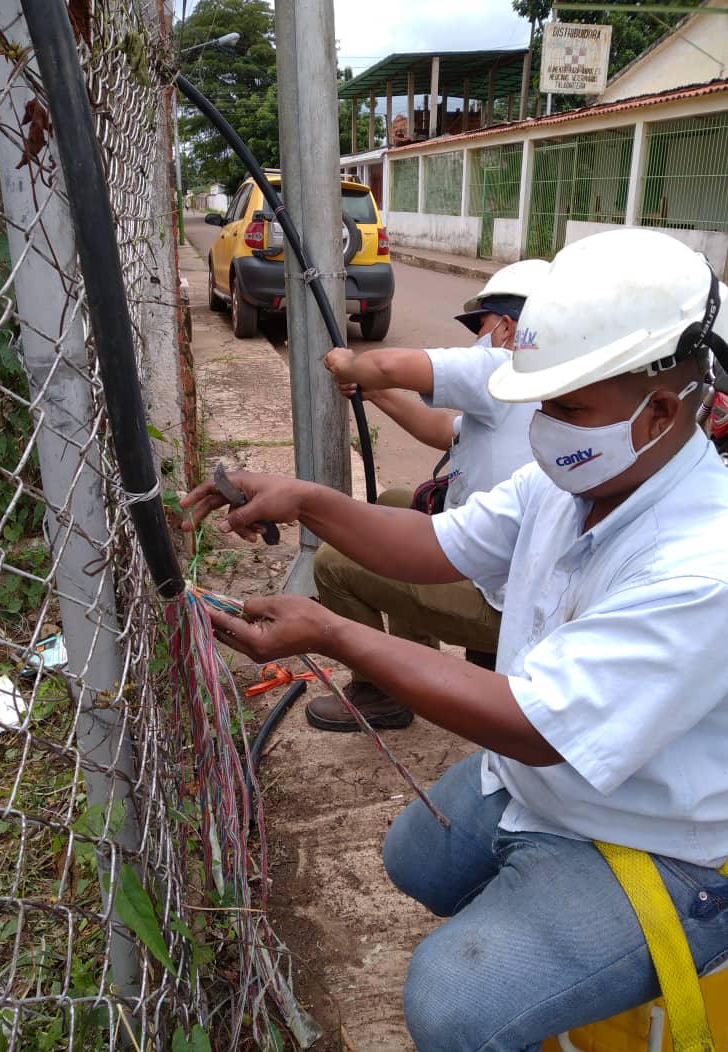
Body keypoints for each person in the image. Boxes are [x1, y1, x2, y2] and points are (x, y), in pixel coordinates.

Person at [182, 228, 728, 1051]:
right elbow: (434, 545)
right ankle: (546, 934)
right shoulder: (573, 478)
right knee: (414, 858)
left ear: (660, 410)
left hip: (658, 839)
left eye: (568, 406)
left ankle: (648, 936)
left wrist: (336, 636)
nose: (544, 426)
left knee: (451, 1003)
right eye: (541, 402)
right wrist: (306, 497)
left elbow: (535, 728)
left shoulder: (703, 565)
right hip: (548, 786)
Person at [307, 258, 549, 732]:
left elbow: (389, 363)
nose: (477, 339)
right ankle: (415, 662)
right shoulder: (541, 388)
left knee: (333, 565)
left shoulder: (507, 365)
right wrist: (372, 393)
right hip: (515, 567)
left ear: (506, 325)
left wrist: (353, 363)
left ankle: (382, 694)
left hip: (504, 602)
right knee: (397, 502)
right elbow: (443, 431)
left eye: (480, 326)